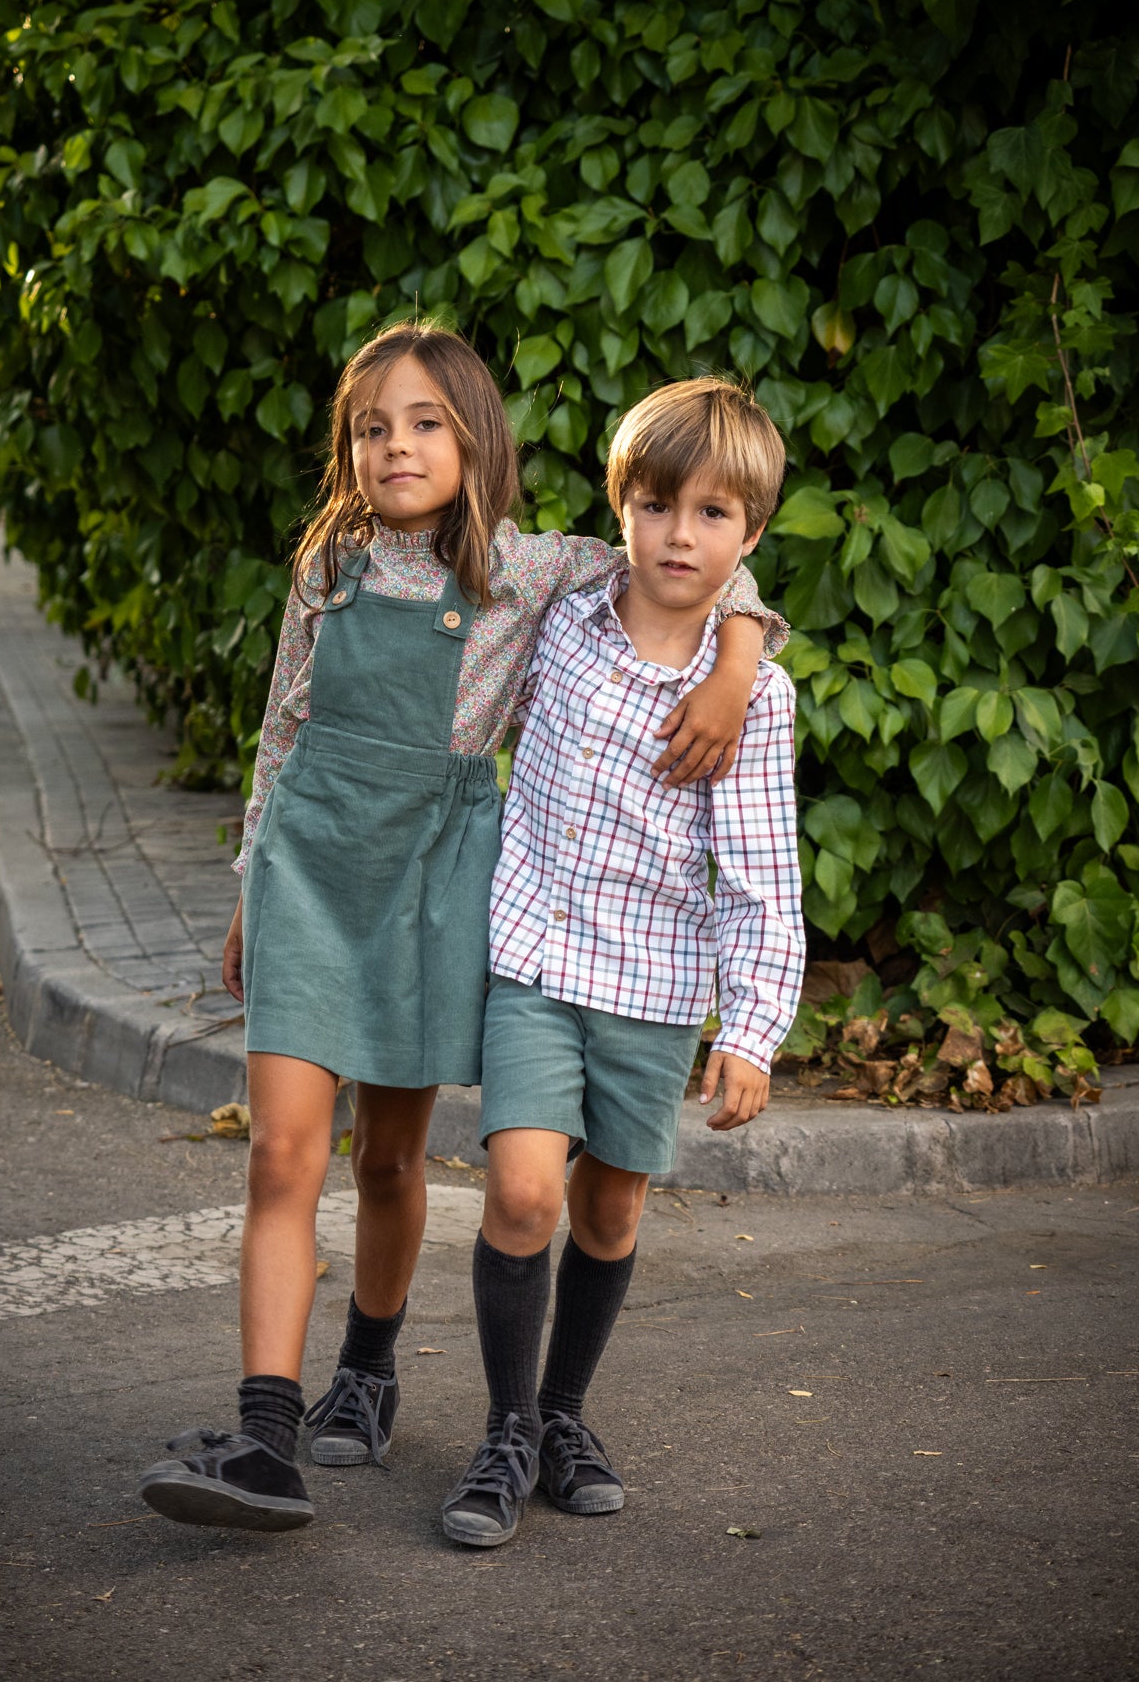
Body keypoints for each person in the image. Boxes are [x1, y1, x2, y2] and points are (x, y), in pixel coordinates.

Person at [139, 325, 788, 1534]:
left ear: (476, 437)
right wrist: (248, 877)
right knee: (282, 1152)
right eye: (374, 424)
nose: (398, 444)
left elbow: (690, 550)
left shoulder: (533, 573)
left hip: (431, 884)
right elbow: (281, 726)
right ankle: (266, 1434)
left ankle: (370, 1372)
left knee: (387, 1158)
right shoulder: (324, 568)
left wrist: (742, 659)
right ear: (348, 444)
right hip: (310, 870)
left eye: (427, 421)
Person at [441, 375, 805, 1547]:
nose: (678, 536)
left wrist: (752, 1027)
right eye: (655, 507)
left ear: (748, 535)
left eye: (711, 515)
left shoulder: (756, 697)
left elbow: (760, 872)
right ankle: (502, 1427)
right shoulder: (566, 613)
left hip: (653, 988)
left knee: (607, 1211)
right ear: (622, 508)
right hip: (538, 958)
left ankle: (562, 1414)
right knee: (523, 1189)